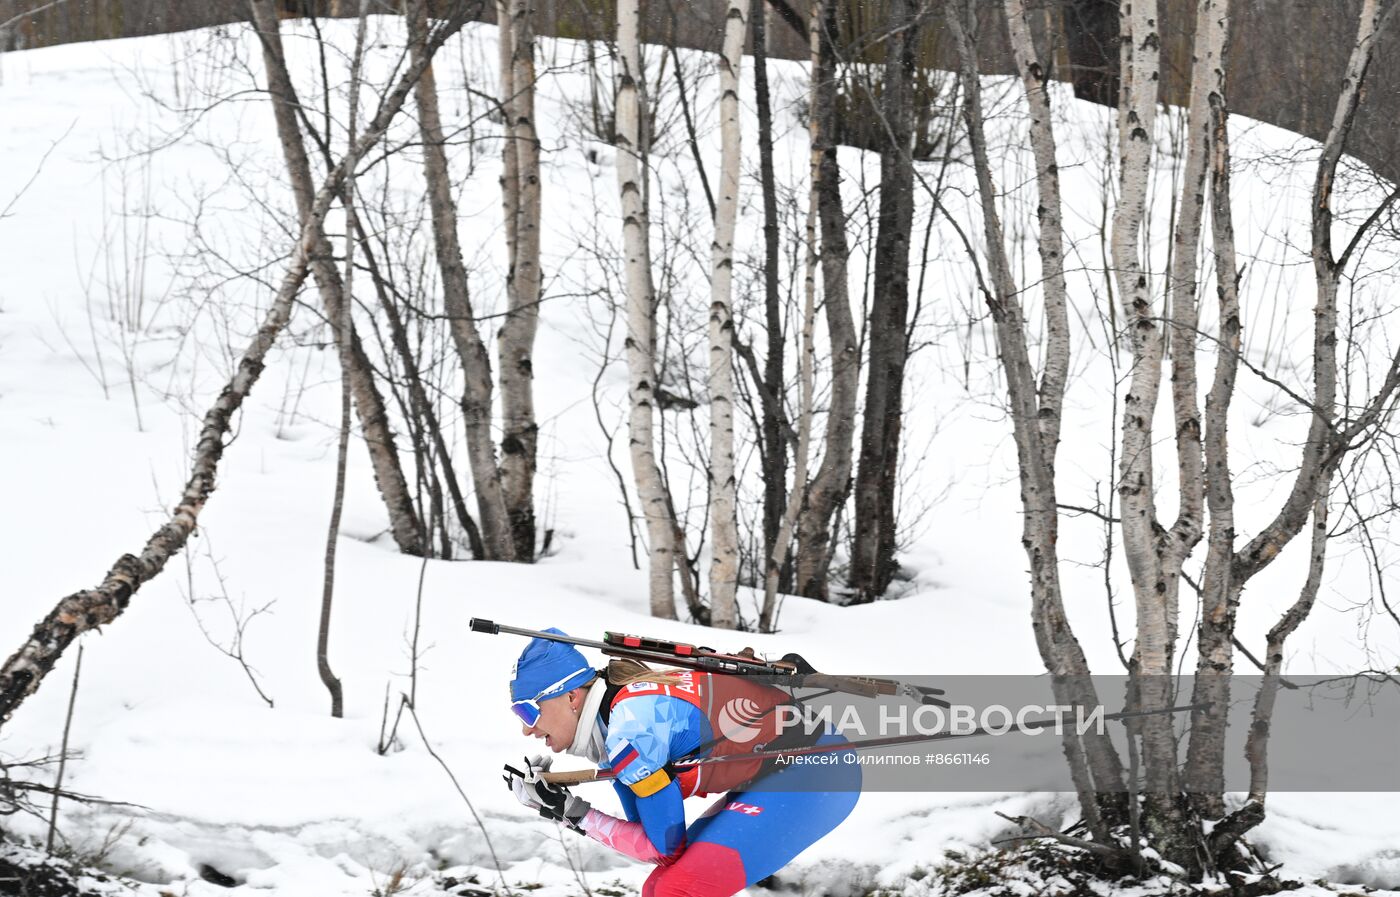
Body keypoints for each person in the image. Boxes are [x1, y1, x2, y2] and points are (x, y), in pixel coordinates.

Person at [502, 628, 860, 897]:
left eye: (529, 710)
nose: (526, 728)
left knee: (676, 891)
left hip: (818, 772)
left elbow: (662, 849)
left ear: (571, 696)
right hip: (779, 771)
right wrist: (566, 808)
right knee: (660, 889)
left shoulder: (630, 734)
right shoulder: (616, 725)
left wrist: (575, 813)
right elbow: (652, 840)